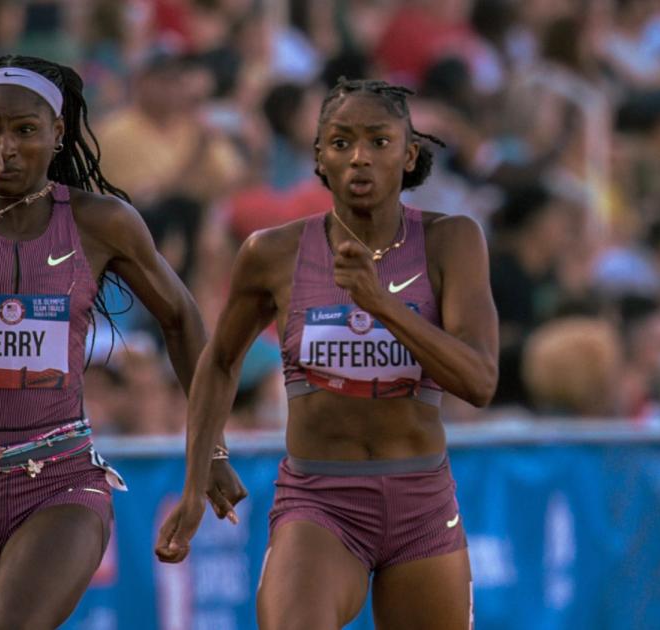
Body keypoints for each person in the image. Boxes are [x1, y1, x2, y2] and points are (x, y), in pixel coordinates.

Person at [0, 54, 246, 630]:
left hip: (60, 479)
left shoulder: (100, 221)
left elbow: (183, 320)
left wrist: (210, 450)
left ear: (58, 134)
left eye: (25, 131)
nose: (4, 148)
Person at [156, 79, 499, 630]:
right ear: (318, 156)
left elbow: (479, 382)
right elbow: (220, 361)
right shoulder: (272, 252)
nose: (359, 157)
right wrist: (203, 471)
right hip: (320, 499)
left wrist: (381, 304)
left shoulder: (451, 241)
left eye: (378, 141)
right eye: (340, 142)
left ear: (409, 154)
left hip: (422, 501)